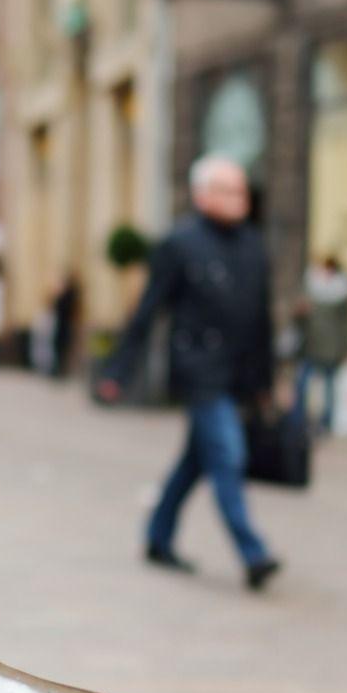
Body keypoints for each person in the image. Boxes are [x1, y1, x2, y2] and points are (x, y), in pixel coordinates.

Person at [98, 154, 282, 591]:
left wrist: (267, 384)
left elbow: (261, 322)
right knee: (228, 457)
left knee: (195, 462)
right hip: (199, 371)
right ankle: (253, 554)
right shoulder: (178, 244)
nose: (237, 198)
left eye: (240, 190)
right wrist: (117, 371)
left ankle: (158, 537)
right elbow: (147, 312)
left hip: (237, 375)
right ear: (202, 194)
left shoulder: (255, 246)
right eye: (226, 190)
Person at [295, 254, 347, 435]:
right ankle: (301, 419)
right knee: (305, 382)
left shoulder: (341, 290)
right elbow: (300, 319)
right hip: (313, 344)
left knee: (327, 385)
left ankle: (324, 421)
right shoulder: (312, 286)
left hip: (329, 346)